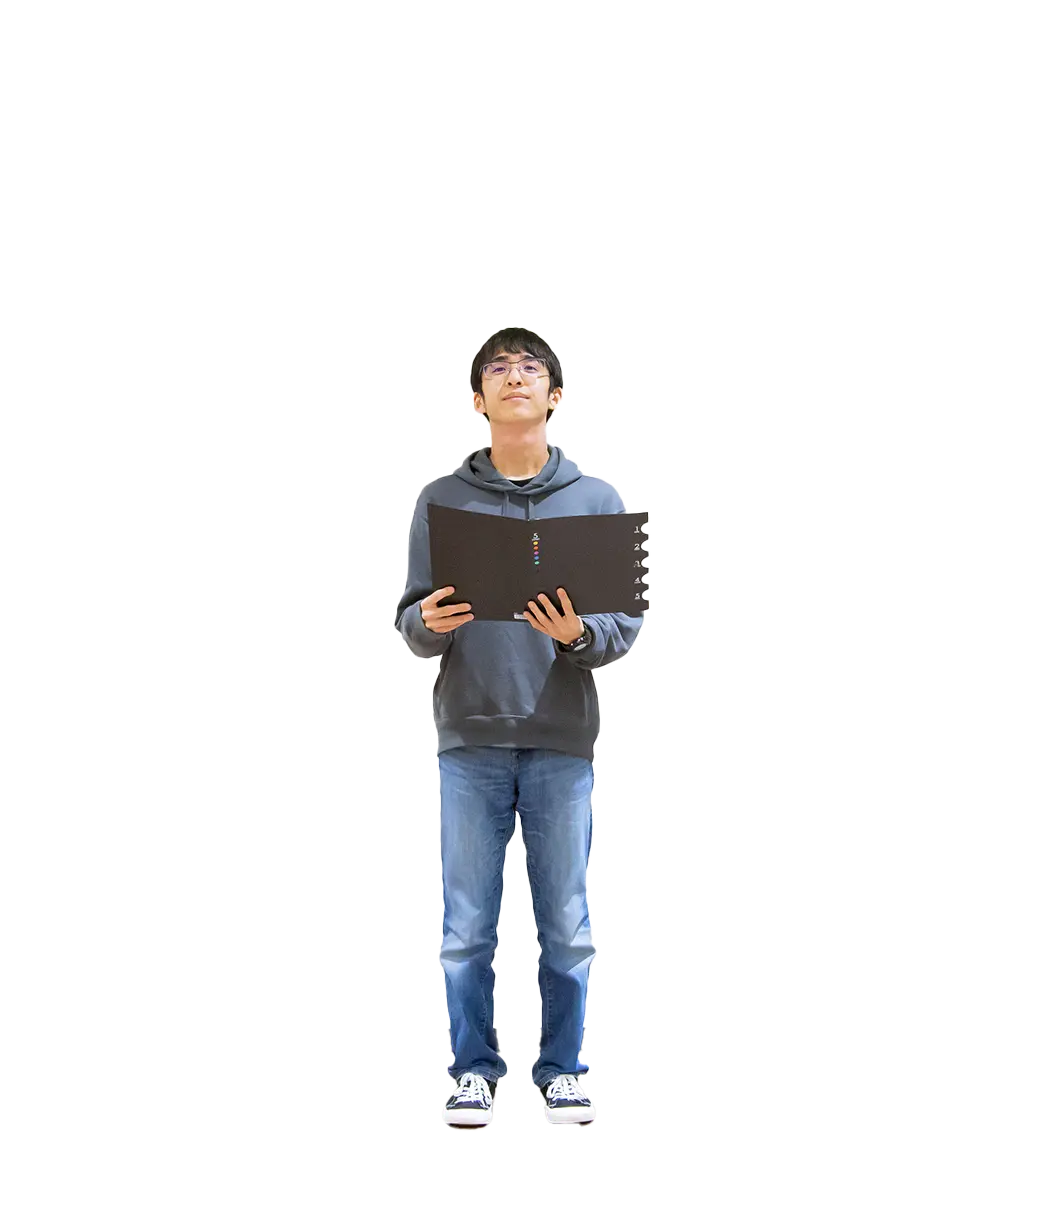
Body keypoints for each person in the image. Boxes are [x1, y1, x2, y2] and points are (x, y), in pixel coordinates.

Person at [394, 327, 643, 1127]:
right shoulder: (441, 500)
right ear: (477, 398)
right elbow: (411, 619)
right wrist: (427, 624)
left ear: (555, 395)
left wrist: (578, 633)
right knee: (467, 924)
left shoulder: (596, 501)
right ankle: (472, 1070)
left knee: (566, 923)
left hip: (561, 734)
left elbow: (624, 623)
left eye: (530, 367)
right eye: (496, 369)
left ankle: (564, 1069)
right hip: (469, 733)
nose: (514, 377)